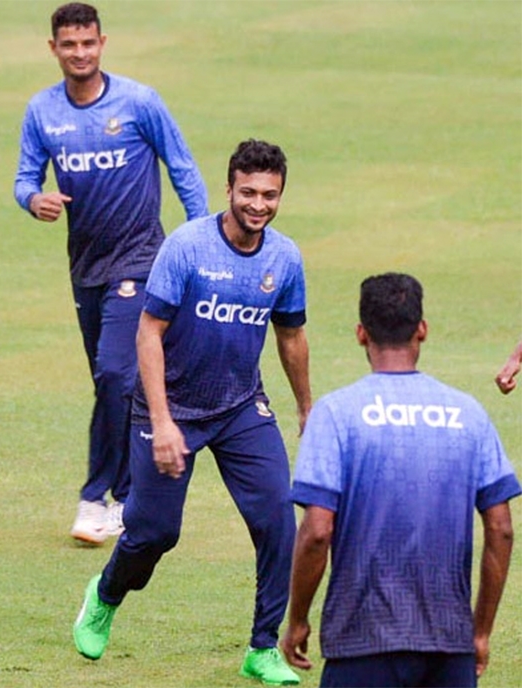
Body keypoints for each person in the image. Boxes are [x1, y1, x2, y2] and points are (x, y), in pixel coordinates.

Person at [72, 139, 310, 686]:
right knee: (155, 533)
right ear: (227, 189)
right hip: (171, 406)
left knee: (278, 521)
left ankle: (262, 646)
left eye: (270, 195)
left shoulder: (284, 258)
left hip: (240, 407)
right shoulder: (186, 247)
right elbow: (148, 333)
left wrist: (306, 407)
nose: (258, 204)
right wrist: (161, 423)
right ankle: (105, 594)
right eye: (248, 192)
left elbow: (292, 336)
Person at [14, 2, 209, 545]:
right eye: (69, 45)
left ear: (103, 43)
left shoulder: (138, 102)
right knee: (115, 385)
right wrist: (35, 200)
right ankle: (128, 498)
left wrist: (199, 238)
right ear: (53, 49)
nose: (80, 53)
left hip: (141, 260)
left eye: (89, 43)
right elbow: (24, 177)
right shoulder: (43, 112)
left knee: (116, 374)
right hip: (86, 268)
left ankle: (94, 497)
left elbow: (182, 166)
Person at [282, 273, 520, 688]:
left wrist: (298, 619)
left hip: (360, 640)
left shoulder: (337, 414)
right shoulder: (467, 413)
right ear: (422, 330)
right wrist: (479, 631)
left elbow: (317, 531)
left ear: (360, 334)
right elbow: (500, 528)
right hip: (448, 644)